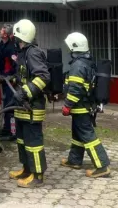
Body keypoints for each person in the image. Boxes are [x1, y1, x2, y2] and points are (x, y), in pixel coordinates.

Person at [61, 32, 111, 178]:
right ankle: (74, 160)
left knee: (88, 136)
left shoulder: (78, 65)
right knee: (77, 134)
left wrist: (67, 105)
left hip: (80, 106)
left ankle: (102, 166)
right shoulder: (87, 62)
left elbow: (75, 89)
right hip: (84, 106)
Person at [8, 19, 50, 188]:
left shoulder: (33, 53)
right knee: (22, 141)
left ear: (22, 37)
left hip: (32, 107)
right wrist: (13, 80)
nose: (14, 40)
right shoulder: (24, 52)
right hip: (22, 106)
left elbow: (43, 77)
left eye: (16, 37)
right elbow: (25, 76)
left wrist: (25, 92)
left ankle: (37, 176)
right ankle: (27, 169)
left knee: (33, 143)